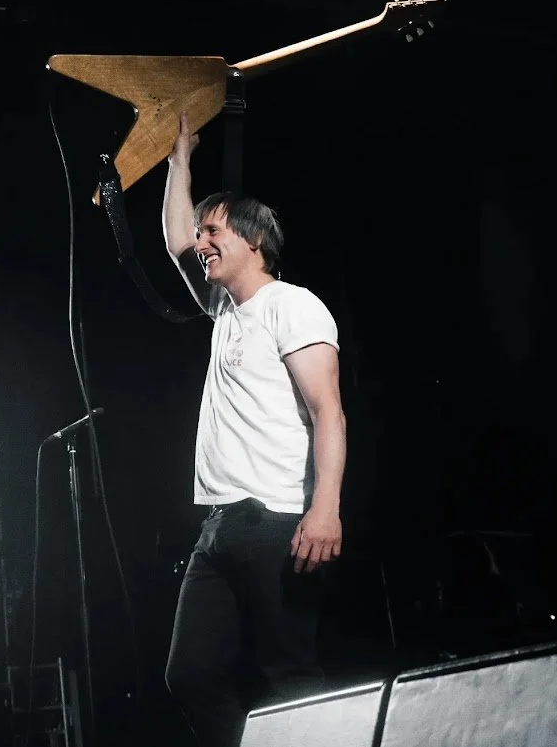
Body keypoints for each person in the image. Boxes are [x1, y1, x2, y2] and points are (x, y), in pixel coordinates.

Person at [162, 111, 347, 747]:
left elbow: (329, 411)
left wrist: (325, 508)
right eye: (203, 232)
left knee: (291, 677)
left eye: (214, 231)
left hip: (278, 521)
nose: (202, 242)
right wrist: (179, 160)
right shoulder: (224, 310)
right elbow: (176, 244)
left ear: (254, 240)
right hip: (219, 527)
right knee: (188, 675)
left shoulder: (293, 305)